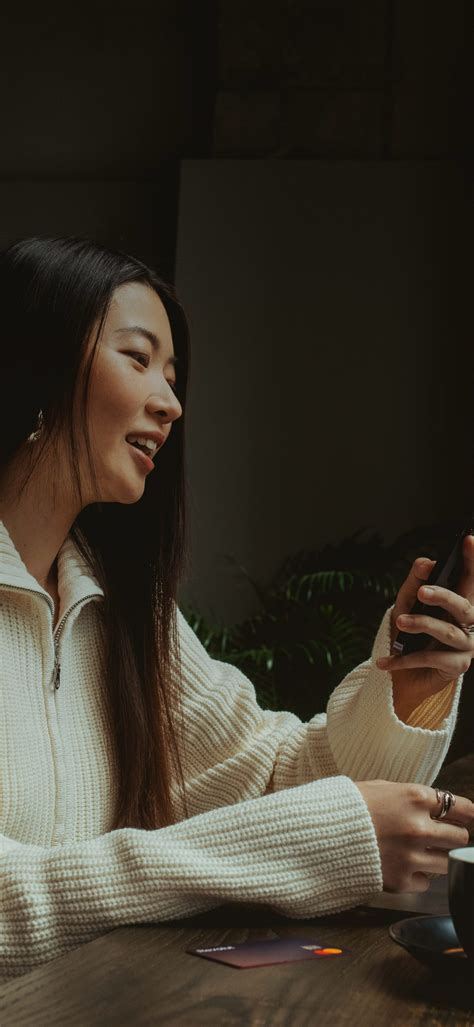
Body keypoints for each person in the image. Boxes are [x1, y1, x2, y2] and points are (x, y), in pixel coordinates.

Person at [1, 236, 473, 983]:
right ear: (38, 362)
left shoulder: (125, 614)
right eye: (137, 358)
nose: (171, 403)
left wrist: (411, 685)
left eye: (172, 376)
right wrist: (312, 840)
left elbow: (279, 776)